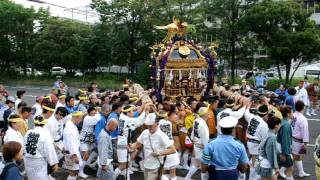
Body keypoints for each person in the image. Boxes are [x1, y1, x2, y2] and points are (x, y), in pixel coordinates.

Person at [130, 113, 176, 180]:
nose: (149, 127)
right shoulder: (145, 132)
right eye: (148, 125)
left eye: (151, 125)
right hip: (146, 164)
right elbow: (138, 144)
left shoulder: (162, 135)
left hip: (156, 166)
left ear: (157, 124)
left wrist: (159, 153)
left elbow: (173, 149)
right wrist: (132, 146)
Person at [24, 115, 59, 179]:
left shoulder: (28, 132)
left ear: (34, 123)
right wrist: (54, 163)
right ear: (44, 124)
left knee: (31, 177)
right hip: (38, 161)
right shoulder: (45, 134)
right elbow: (49, 150)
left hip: (27, 160)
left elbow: (24, 146)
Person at [244, 103, 269, 180]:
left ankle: (253, 175)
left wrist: (247, 106)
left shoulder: (252, 117)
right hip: (256, 144)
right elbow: (264, 139)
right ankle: (252, 177)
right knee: (256, 161)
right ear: (266, 114)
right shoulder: (264, 124)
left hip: (249, 142)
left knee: (253, 160)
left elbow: (246, 113)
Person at [185, 107, 210, 180]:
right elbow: (206, 139)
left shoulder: (196, 120)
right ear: (205, 114)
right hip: (202, 148)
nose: (208, 114)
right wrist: (207, 149)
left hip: (197, 146)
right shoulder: (203, 125)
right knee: (204, 167)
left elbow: (192, 135)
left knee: (197, 165)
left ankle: (187, 178)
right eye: (207, 113)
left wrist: (195, 143)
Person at [257, 115, 281, 180]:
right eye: (279, 124)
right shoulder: (272, 137)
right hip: (268, 164)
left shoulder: (268, 133)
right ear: (276, 125)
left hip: (264, 162)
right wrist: (276, 167)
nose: (280, 126)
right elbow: (271, 153)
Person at [158, 111, 180, 180]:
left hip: (163, 150)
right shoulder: (169, 123)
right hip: (171, 148)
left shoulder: (157, 124)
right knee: (173, 172)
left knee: (162, 172)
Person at [79, 106, 101, 177]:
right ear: (88, 113)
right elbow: (97, 118)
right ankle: (80, 171)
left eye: (94, 113)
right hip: (84, 138)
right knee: (85, 155)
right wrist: (97, 113)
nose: (94, 114)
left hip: (90, 138)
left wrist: (96, 112)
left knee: (95, 150)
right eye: (92, 113)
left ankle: (88, 164)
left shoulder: (91, 116)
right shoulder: (87, 118)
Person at [62, 111, 85, 180]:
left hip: (73, 151)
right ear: (76, 118)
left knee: (75, 171)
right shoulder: (70, 129)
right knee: (73, 171)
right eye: (80, 119)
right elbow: (71, 143)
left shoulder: (72, 125)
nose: (81, 121)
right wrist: (74, 155)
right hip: (72, 153)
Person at [291, 100, 310, 177]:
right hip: (298, 141)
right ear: (303, 108)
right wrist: (305, 143)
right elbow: (305, 132)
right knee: (294, 157)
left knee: (297, 157)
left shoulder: (293, 115)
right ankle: (281, 171)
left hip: (292, 139)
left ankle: (301, 172)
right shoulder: (303, 119)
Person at [277, 106, 294, 180]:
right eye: (292, 112)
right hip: (284, 150)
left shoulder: (282, 121)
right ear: (288, 114)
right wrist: (285, 154)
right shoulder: (286, 125)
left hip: (279, 149)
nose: (293, 114)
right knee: (290, 169)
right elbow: (285, 140)